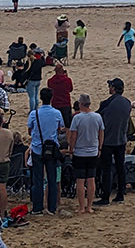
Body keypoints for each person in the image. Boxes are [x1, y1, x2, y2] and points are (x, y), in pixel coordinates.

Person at [28, 86, 64, 215]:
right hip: (52, 148)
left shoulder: (34, 113)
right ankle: (52, 207)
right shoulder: (57, 113)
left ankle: (37, 208)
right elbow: (60, 129)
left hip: (38, 148)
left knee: (37, 180)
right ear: (51, 98)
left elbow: (29, 130)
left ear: (41, 99)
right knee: (52, 179)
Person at [97, 77, 132, 206]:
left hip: (108, 140)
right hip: (121, 139)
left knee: (106, 169)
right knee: (120, 167)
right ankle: (120, 194)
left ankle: (105, 196)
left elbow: (98, 117)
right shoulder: (127, 103)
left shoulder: (107, 103)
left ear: (113, 88)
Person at [69, 93, 104, 213]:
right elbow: (101, 133)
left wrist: (71, 149)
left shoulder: (77, 118)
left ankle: (81, 207)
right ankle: (89, 206)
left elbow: (73, 136)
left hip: (80, 152)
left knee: (80, 180)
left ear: (80, 104)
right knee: (91, 179)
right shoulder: (97, 116)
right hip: (93, 151)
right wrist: (99, 147)